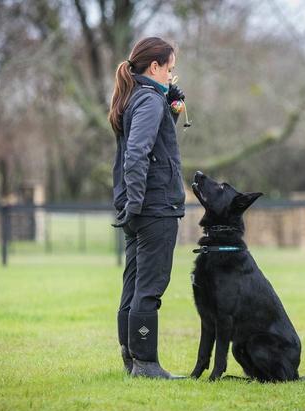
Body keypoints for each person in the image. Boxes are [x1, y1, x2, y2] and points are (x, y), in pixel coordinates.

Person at [108, 37, 186, 379]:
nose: (173, 75)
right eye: (170, 68)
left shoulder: (138, 98)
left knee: (135, 285)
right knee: (150, 288)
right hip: (154, 208)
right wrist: (138, 202)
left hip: (140, 207)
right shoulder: (149, 100)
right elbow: (137, 154)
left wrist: (170, 108)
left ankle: (132, 359)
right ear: (154, 67)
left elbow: (153, 149)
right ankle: (146, 364)